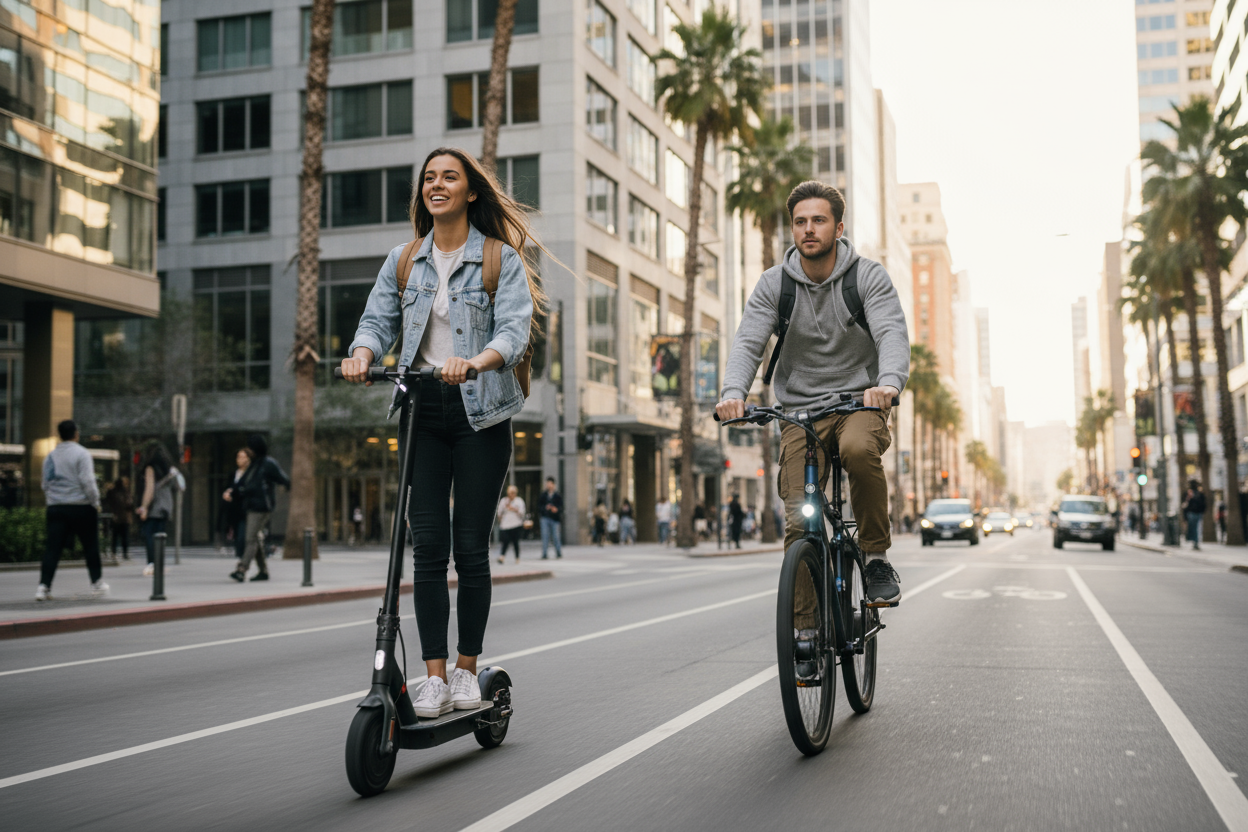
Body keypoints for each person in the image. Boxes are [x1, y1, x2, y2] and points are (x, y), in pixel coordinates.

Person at [342, 146, 541, 720]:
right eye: (429, 177)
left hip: (481, 413)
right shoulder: (404, 259)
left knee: (469, 547)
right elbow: (377, 320)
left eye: (449, 177)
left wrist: (477, 360)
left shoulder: (499, 258)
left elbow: (514, 329)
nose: (437, 184)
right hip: (422, 410)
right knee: (427, 546)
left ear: (470, 191)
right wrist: (362, 354)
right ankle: (432, 677)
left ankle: (466, 667)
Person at [716, 180, 910, 604]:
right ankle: (804, 635)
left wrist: (888, 383)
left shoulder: (867, 277)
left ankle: (875, 557)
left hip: (860, 401)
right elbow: (748, 341)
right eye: (800, 222)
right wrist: (734, 392)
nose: (808, 229)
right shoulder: (774, 285)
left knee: (860, 450)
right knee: (799, 524)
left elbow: (891, 333)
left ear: (838, 228)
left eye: (818, 221)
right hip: (799, 411)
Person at [36, 420, 107, 601]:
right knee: (90, 546)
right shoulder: (82, 454)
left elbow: (45, 484)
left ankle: (44, 587)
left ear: (60, 434)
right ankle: (97, 583)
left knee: (53, 549)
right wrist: (95, 502)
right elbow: (88, 481)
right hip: (81, 506)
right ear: (76, 433)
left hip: (56, 508)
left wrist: (53, 500)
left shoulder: (50, 457)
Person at [227, 434, 290, 582]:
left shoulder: (268, 463)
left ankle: (242, 569)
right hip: (251, 506)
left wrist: (284, 487)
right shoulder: (254, 464)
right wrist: (233, 492)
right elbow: (243, 482)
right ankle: (263, 571)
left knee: (250, 538)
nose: (250, 450)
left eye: (251, 447)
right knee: (255, 539)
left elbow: (283, 479)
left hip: (262, 507)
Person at [136, 441, 179, 578]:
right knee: (160, 536)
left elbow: (150, 490)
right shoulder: (169, 470)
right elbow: (178, 487)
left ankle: (151, 563)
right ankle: (159, 563)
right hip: (166, 507)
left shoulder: (150, 468)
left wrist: (144, 507)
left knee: (149, 534)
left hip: (155, 506)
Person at [222, 448, 250, 562]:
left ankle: (242, 560)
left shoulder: (250, 474)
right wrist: (227, 493)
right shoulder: (234, 474)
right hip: (234, 510)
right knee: (237, 534)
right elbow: (228, 487)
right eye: (238, 457)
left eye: (243, 457)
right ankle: (242, 559)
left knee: (243, 537)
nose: (240, 460)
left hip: (246, 509)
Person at [103, 477, 133, 560]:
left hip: (115, 517)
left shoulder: (112, 492)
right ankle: (124, 553)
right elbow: (129, 505)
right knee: (124, 537)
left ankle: (114, 553)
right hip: (124, 517)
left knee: (115, 536)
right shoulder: (126, 492)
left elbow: (107, 503)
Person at [496, 485, 525, 563]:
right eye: (509, 493)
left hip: (516, 524)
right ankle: (502, 556)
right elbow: (499, 512)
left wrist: (514, 509)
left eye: (513, 493)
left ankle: (517, 557)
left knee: (515, 542)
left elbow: (522, 513)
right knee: (505, 541)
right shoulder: (503, 501)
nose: (511, 495)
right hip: (505, 525)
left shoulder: (519, 501)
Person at [536, 476, 563, 559]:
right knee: (545, 536)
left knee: (556, 536)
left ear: (554, 484)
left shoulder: (557, 495)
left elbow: (561, 507)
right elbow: (538, 507)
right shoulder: (543, 495)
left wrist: (556, 509)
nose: (549, 485)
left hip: (555, 519)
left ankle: (558, 552)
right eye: (548, 484)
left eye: (550, 484)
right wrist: (545, 508)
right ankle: (544, 554)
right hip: (545, 518)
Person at [1182, 479, 1206, 551]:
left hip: (1193, 512)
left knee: (1194, 528)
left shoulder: (1193, 493)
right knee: (1195, 528)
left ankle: (1194, 541)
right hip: (1194, 512)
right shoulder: (1194, 493)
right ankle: (1195, 541)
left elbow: (1184, 504)